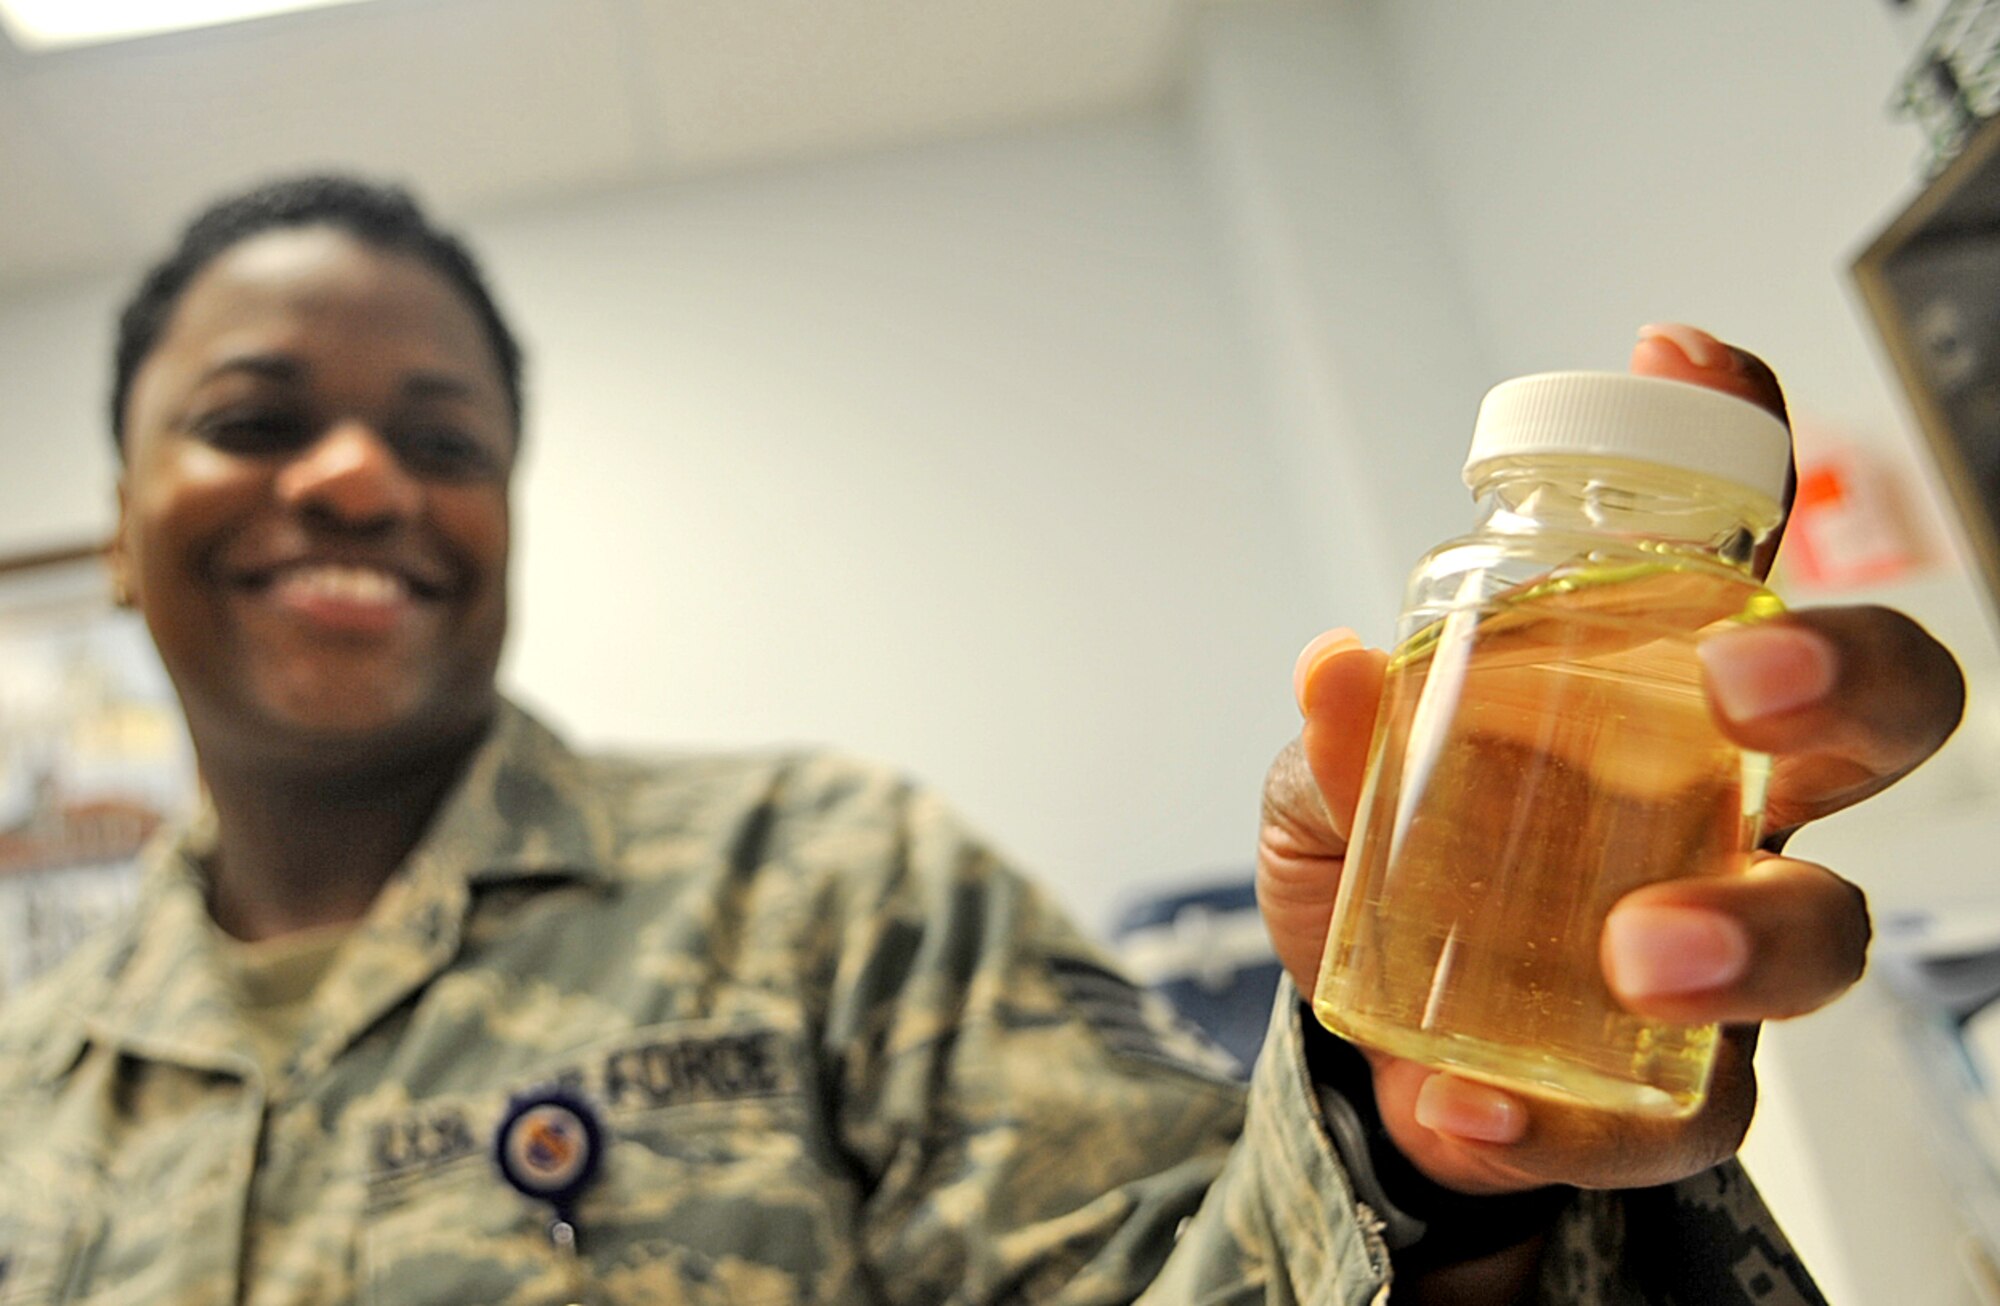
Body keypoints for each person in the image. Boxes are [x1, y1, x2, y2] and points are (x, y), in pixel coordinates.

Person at [0, 175, 1963, 1306]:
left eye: (440, 438)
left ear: (503, 513)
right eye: (256, 415)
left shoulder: (831, 882)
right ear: (124, 493)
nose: (353, 471)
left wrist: (1439, 1155)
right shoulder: (23, 1097)